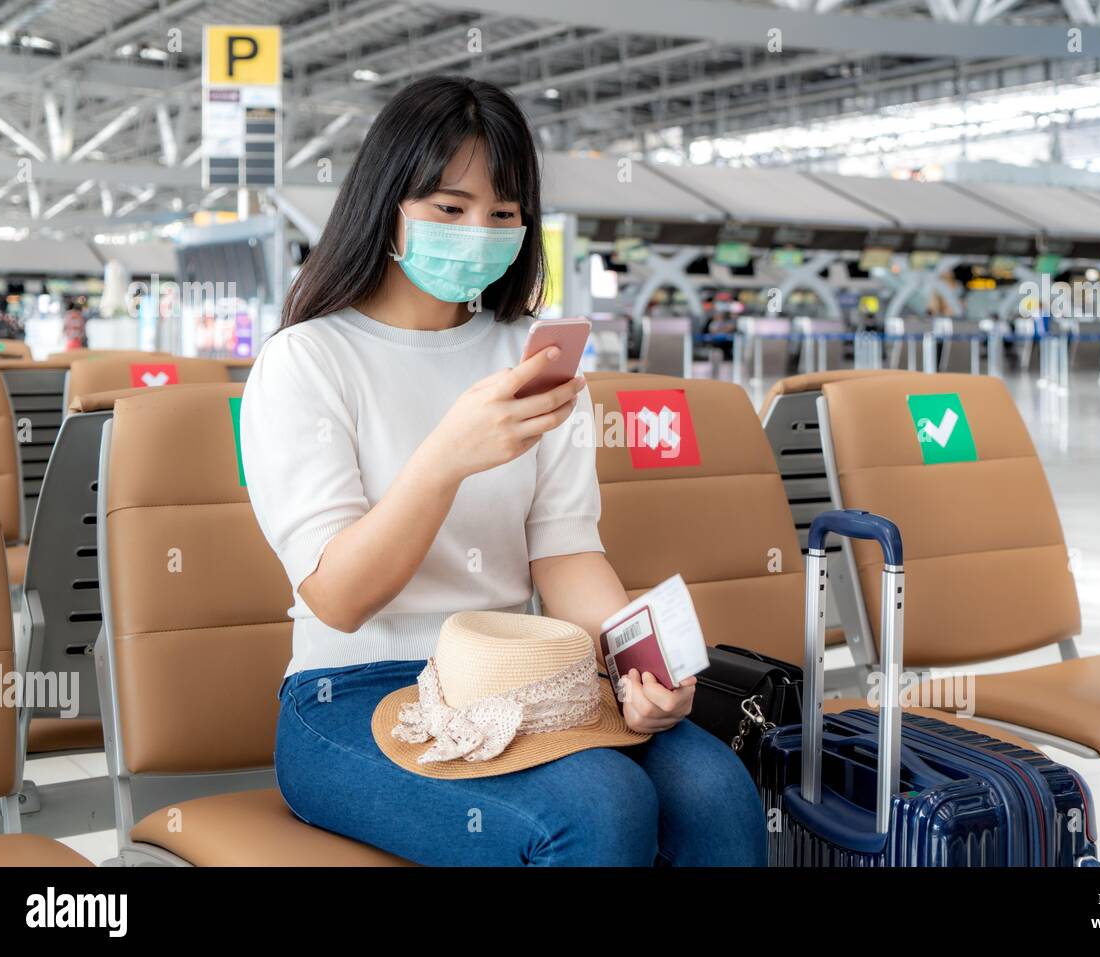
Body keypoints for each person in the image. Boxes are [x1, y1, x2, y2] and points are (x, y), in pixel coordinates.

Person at [239, 75, 765, 867]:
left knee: (715, 787)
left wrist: (637, 665)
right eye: (450, 208)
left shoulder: (527, 357)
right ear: (386, 204)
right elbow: (338, 597)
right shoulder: (305, 362)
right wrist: (446, 458)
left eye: (504, 214)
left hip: (521, 677)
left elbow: (566, 550)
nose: (478, 230)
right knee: (599, 805)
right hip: (347, 694)